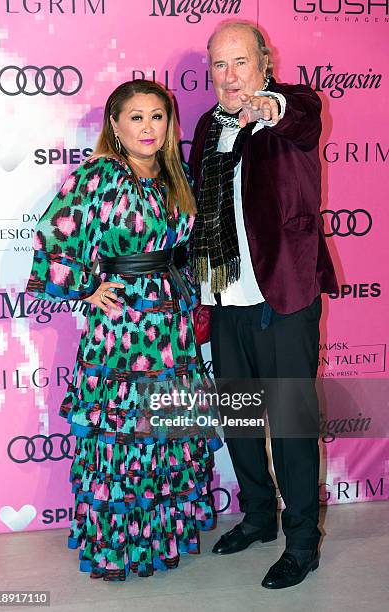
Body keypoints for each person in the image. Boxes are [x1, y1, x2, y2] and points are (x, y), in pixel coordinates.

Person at [26, 79, 220, 581]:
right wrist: (87, 288)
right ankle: (117, 546)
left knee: (164, 432)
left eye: (157, 116)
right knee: (122, 433)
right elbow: (53, 235)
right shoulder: (98, 175)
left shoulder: (175, 177)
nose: (148, 127)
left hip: (170, 327)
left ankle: (160, 536)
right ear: (115, 124)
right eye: (136, 117)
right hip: (123, 331)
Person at [189, 20, 338, 589]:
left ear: (264, 62)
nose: (230, 77)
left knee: (293, 423)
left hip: (284, 294)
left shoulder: (292, 104)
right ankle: (258, 517)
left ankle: (303, 541)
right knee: (241, 418)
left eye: (240, 62)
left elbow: (297, 118)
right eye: (219, 66)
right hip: (224, 296)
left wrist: (268, 105)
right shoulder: (206, 126)